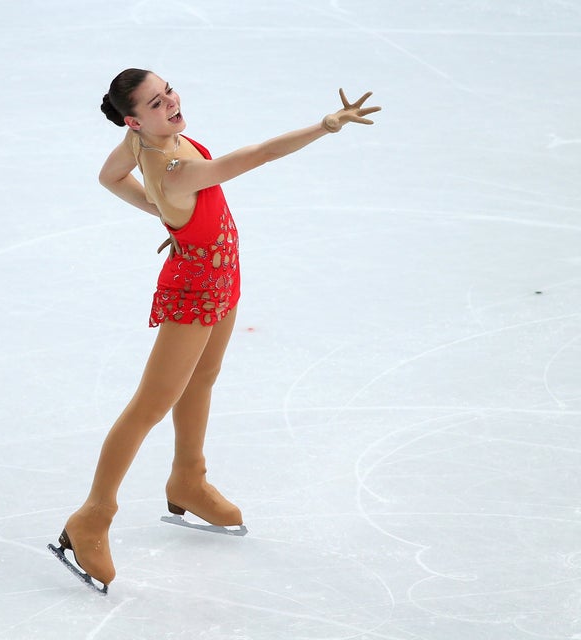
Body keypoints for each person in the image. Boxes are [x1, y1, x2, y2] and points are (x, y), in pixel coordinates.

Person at [50, 68, 380, 592]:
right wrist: (325, 125)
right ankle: (92, 515)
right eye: (156, 104)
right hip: (196, 287)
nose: (171, 103)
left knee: (203, 379)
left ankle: (189, 478)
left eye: (169, 91)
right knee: (149, 406)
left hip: (221, 268)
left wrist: (168, 218)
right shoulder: (176, 166)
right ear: (136, 119)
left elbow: (110, 178)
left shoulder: (139, 138)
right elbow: (260, 155)